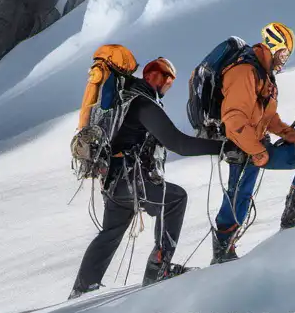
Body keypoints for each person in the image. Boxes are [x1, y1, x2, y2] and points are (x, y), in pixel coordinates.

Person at [70, 56, 225, 298]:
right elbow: (178, 143)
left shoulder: (124, 101)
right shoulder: (143, 104)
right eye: (167, 79)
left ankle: (82, 289)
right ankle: (159, 268)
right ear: (153, 76)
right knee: (175, 200)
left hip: (113, 182)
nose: (167, 86)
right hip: (132, 180)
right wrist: (221, 147)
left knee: (110, 232)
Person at [211, 22, 295, 264]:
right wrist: (257, 150)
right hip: (243, 149)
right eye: (284, 52)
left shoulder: (264, 75)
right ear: (274, 47)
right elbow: (233, 120)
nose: (285, 59)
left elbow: (267, 116)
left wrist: (287, 132)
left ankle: (294, 212)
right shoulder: (245, 72)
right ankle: (223, 251)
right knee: (238, 196)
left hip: (258, 147)